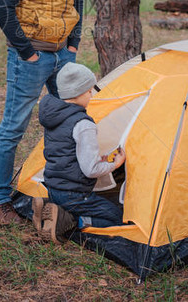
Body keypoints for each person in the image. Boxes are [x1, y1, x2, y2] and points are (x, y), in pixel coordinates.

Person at [0, 0, 86, 224]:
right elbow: (2, 9)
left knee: (71, 122)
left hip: (63, 55)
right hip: (30, 55)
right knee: (13, 127)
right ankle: (1, 200)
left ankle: (65, 191)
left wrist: (73, 44)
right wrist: (27, 52)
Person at [33, 62, 126, 242]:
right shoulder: (84, 124)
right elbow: (90, 170)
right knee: (117, 217)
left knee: (92, 206)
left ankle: (49, 207)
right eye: (90, 91)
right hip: (74, 194)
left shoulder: (55, 115)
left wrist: (98, 159)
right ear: (80, 93)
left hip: (53, 187)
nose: (91, 96)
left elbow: (66, 151)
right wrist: (115, 164)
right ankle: (70, 220)